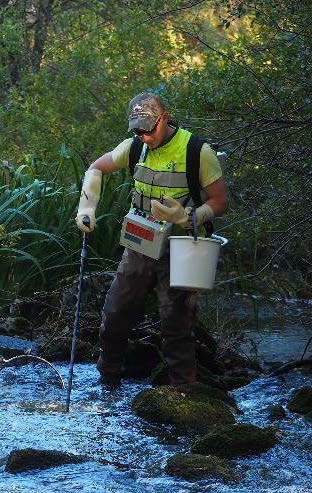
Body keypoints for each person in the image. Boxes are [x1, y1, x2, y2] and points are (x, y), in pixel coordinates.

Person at [75, 92, 228, 387]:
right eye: (137, 130)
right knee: (115, 312)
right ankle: (107, 385)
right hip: (140, 240)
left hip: (181, 247)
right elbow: (96, 167)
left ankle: (184, 395)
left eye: (148, 129)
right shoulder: (133, 147)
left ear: (164, 119)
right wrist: (86, 209)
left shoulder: (197, 151)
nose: (143, 136)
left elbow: (220, 202)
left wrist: (188, 217)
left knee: (176, 324)